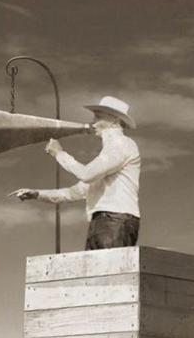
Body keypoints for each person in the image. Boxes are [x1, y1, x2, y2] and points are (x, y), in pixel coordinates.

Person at [9, 95, 141, 250]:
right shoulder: (110, 152)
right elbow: (74, 192)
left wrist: (59, 154)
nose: (93, 122)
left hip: (114, 220)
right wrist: (37, 194)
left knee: (107, 272)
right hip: (105, 221)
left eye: (98, 117)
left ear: (115, 121)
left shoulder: (122, 144)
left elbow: (87, 175)